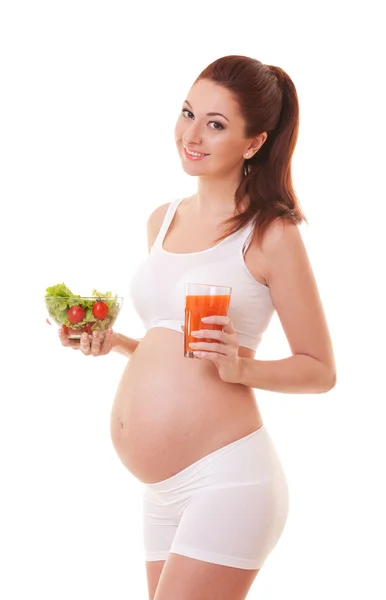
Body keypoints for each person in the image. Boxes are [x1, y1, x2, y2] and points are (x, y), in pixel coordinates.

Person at [59, 55, 336, 600]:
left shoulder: (270, 233)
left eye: (216, 124)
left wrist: (243, 367)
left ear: (253, 143)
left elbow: (320, 370)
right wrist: (117, 344)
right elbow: (177, 351)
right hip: (159, 492)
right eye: (188, 113)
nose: (192, 134)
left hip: (227, 482)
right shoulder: (161, 219)